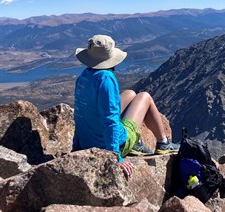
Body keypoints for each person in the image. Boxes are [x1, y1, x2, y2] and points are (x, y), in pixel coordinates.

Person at [72, 34, 179, 178]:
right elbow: (109, 120)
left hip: (87, 142)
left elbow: (79, 114)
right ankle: (163, 143)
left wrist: (77, 148)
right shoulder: (106, 79)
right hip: (107, 146)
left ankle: (151, 143)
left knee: (130, 93)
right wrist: (115, 157)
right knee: (144, 97)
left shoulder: (84, 77)